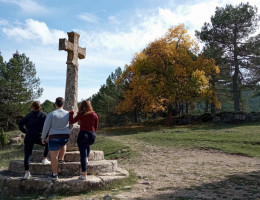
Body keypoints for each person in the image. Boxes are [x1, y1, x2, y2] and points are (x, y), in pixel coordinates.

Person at [18, 101, 51, 179]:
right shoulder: (44, 115)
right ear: (40, 107)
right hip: (38, 136)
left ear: (32, 107)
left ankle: (27, 173)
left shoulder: (29, 115)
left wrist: (25, 131)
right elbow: (47, 126)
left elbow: (20, 124)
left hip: (29, 136)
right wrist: (45, 136)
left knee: (27, 155)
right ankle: (44, 159)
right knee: (48, 143)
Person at [41, 97, 70, 180]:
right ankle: (62, 159)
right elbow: (71, 124)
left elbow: (46, 126)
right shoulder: (68, 114)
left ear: (55, 104)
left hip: (54, 137)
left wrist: (43, 137)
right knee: (63, 144)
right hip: (65, 136)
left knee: (53, 157)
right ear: (63, 104)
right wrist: (67, 131)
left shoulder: (52, 114)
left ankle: (54, 174)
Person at [69, 100, 98, 180]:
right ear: (90, 106)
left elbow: (71, 121)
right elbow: (96, 127)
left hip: (83, 135)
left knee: (82, 155)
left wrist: (71, 113)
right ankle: (87, 158)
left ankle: (84, 174)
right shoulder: (94, 115)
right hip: (92, 135)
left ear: (81, 106)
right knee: (88, 144)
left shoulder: (81, 114)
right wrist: (92, 132)